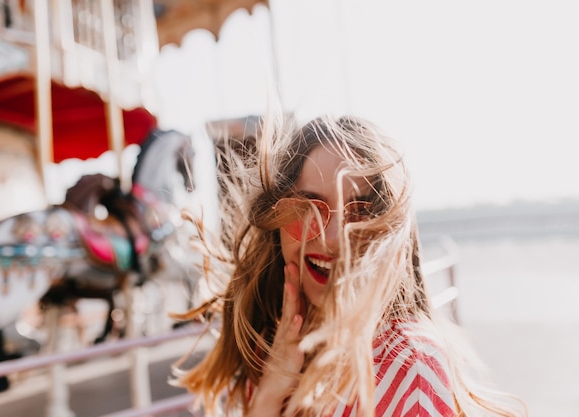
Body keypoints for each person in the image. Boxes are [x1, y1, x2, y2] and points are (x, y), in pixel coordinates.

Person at [172, 114, 527, 417]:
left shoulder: (409, 367)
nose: (330, 237)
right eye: (308, 207)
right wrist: (267, 396)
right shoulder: (270, 346)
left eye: (359, 213)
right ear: (277, 218)